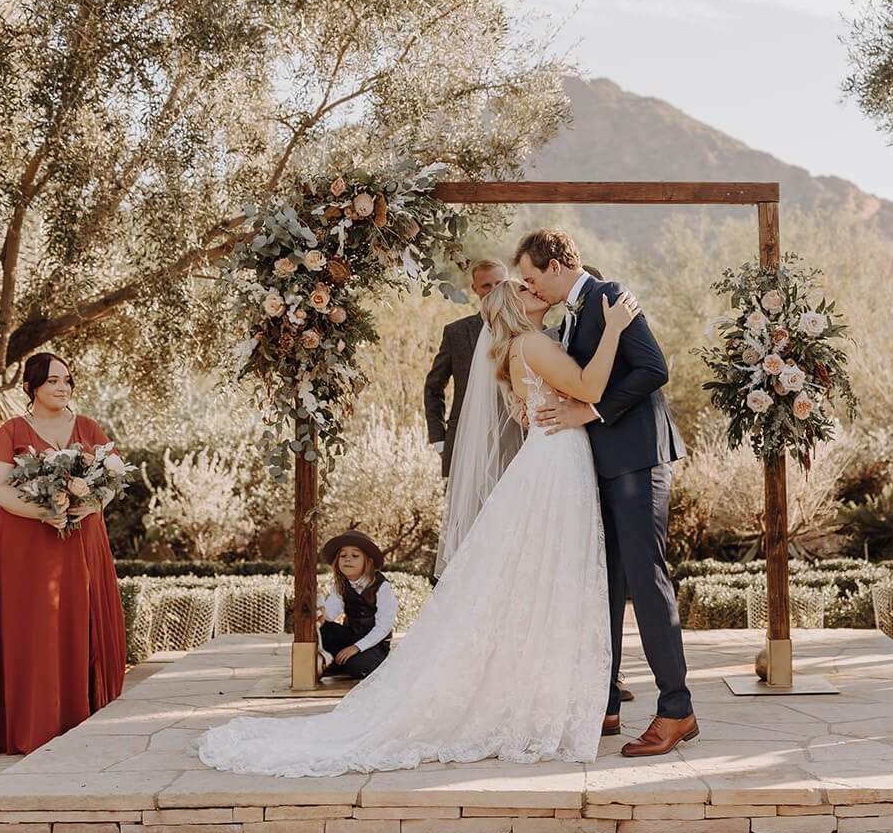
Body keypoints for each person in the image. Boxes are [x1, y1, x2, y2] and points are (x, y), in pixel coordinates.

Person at [197, 278, 641, 775]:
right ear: (514, 307)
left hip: (551, 458)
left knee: (539, 580)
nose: (530, 286)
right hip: (557, 464)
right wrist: (615, 330)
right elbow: (591, 389)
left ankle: (551, 699)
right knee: (552, 579)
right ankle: (549, 704)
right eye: (523, 287)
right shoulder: (532, 342)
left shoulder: (522, 346)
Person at [517, 229, 695, 757]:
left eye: (531, 277)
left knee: (645, 579)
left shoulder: (609, 296)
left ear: (554, 265)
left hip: (639, 459)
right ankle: (606, 703)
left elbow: (654, 369)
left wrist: (588, 411)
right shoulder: (568, 314)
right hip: (600, 465)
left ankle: (677, 710)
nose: (530, 287)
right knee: (607, 584)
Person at [0, 352, 127, 755]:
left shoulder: (90, 428)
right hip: (26, 543)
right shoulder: (11, 430)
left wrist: (89, 504)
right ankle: (32, 722)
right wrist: (45, 511)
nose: (62, 387)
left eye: (67, 380)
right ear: (31, 387)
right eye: (53, 381)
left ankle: (83, 718)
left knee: (79, 620)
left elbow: (112, 479)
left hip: (81, 541)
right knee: (33, 628)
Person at [425, 259, 509, 477]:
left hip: (514, 440)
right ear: (474, 289)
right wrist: (439, 440)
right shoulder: (456, 333)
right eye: (486, 285)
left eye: (499, 284)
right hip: (465, 441)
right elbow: (434, 387)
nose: (493, 291)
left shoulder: (531, 331)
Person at [317, 530, 399, 680]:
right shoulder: (339, 586)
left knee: (358, 668)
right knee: (323, 628)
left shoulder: (382, 587)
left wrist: (357, 647)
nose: (348, 559)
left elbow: (384, 626)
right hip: (352, 635)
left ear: (368, 561)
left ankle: (349, 662)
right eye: (343, 556)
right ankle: (342, 660)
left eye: (355, 556)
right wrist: (318, 601)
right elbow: (329, 615)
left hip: (375, 643)